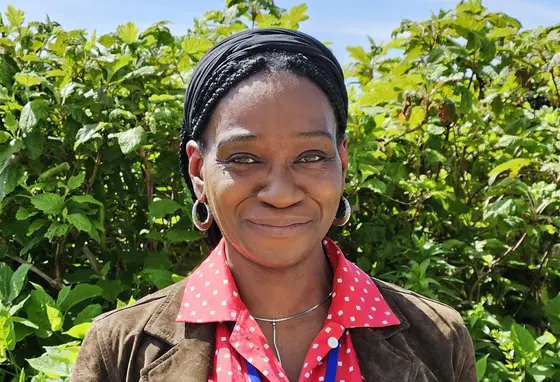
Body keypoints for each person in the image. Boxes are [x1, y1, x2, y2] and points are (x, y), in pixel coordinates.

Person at [71, 28, 477, 382]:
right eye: (244, 159)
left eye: (311, 156)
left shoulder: (438, 339)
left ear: (343, 161)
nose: (281, 193)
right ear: (198, 171)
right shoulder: (119, 349)